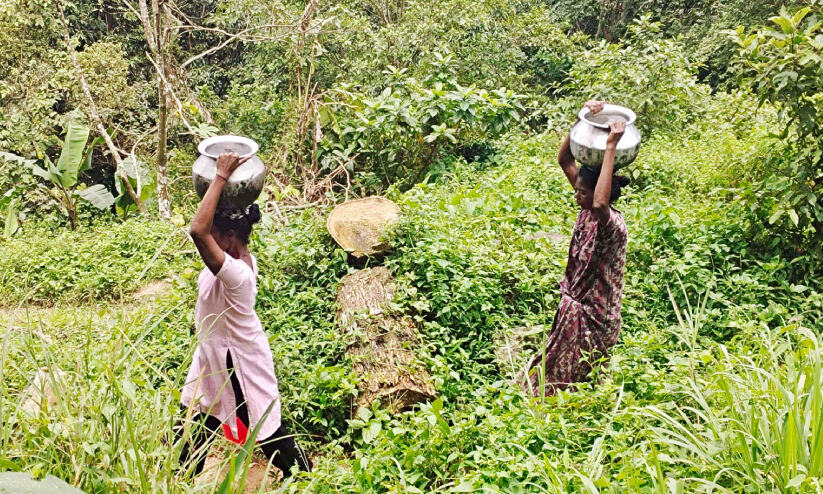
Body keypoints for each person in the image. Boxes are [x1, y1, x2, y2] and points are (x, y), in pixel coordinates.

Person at [175, 152, 311, 477]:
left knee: (264, 426)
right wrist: (222, 189)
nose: (212, 242)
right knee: (196, 416)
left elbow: (197, 230)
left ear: (231, 238)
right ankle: (182, 477)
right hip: (211, 355)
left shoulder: (237, 273)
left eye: (217, 236)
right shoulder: (232, 258)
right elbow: (205, 230)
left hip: (237, 361)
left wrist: (220, 176)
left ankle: (305, 476)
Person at [522, 99, 630, 397]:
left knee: (580, 383)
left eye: (581, 192)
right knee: (555, 377)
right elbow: (564, 161)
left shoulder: (611, 226)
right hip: (576, 312)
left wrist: (610, 146)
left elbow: (598, 201)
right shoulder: (587, 208)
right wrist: (582, 120)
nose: (576, 197)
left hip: (597, 318)